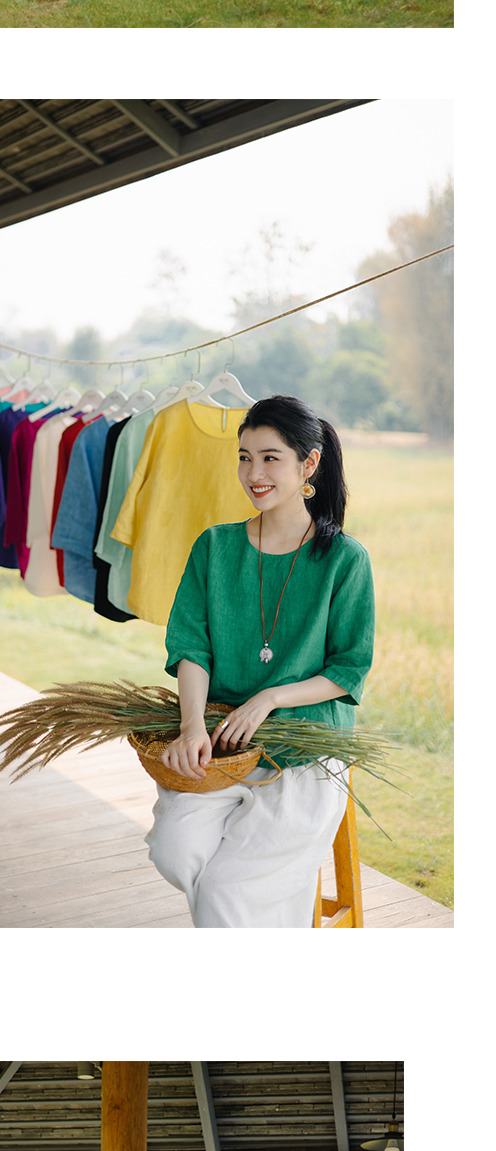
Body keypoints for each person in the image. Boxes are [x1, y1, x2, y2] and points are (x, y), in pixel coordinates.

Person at [149, 392, 375, 930]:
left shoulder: (345, 559)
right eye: (245, 457)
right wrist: (190, 726)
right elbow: (191, 647)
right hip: (220, 745)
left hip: (305, 748)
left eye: (271, 457)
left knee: (227, 888)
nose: (254, 473)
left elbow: (348, 668)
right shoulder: (214, 547)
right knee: (174, 852)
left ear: (309, 463)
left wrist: (270, 697)